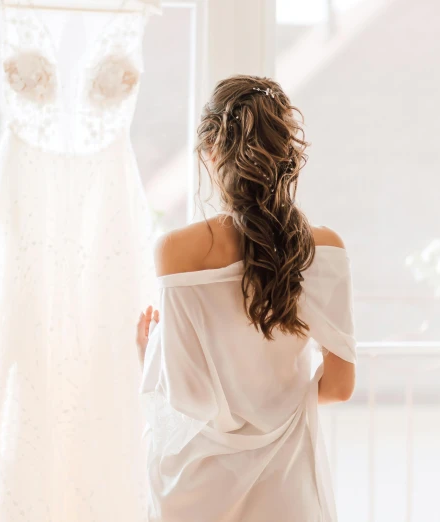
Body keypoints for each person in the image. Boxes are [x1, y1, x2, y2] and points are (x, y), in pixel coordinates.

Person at [135, 75, 357, 522]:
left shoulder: (176, 250)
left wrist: (150, 352)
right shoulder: (324, 250)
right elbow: (338, 386)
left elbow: (185, 395)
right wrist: (278, 407)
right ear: (284, 155)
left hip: (197, 489)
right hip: (287, 485)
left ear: (210, 152)